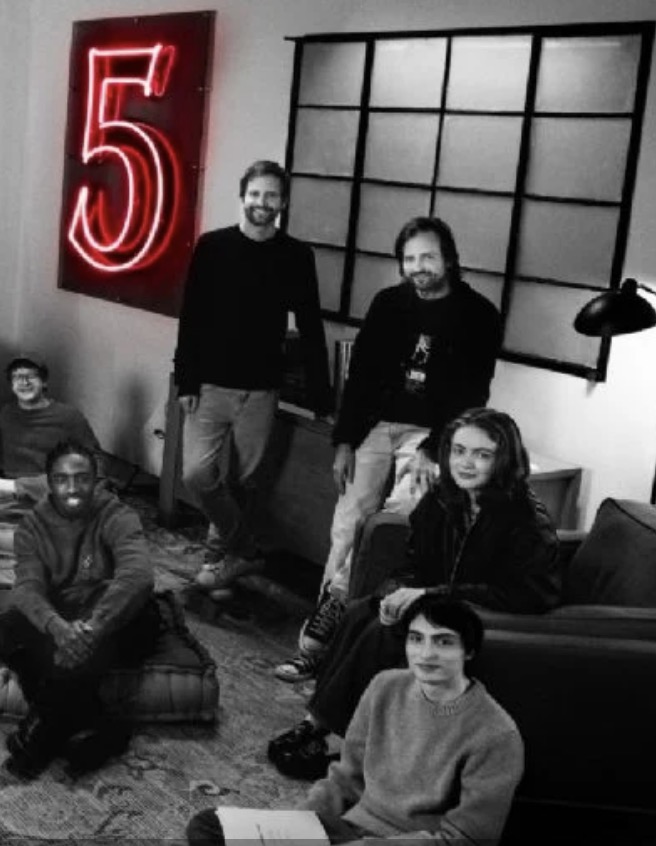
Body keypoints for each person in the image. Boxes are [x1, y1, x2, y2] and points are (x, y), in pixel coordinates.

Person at [268, 408, 558, 778]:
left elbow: (530, 595)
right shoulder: (442, 497)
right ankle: (317, 722)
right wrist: (396, 591)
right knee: (361, 611)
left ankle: (341, 740)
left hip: (486, 613)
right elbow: (413, 562)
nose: (466, 463)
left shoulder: (527, 518)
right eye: (458, 451)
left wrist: (431, 594)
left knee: (384, 632)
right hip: (441, 600)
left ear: (504, 459)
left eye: (482, 454)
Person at [282, 217, 504, 683]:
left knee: (393, 520)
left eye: (428, 257)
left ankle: (336, 620)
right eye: (409, 259)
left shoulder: (478, 314)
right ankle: (318, 646)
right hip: (376, 426)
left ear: (449, 259)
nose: (418, 267)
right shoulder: (388, 304)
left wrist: (435, 449)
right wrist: (344, 440)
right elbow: (360, 377)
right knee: (348, 523)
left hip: (432, 435)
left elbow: (474, 393)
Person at [189, 595, 523, 844]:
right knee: (208, 826)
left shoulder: (496, 735)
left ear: (468, 652)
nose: (426, 654)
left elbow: (467, 839)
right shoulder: (385, 686)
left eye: (443, 643)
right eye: (416, 639)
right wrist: (299, 824)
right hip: (351, 828)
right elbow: (345, 778)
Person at [174, 160, 330, 596]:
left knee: (245, 481)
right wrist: (186, 379)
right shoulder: (213, 246)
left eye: (272, 195)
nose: (263, 202)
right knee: (197, 474)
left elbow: (311, 324)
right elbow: (192, 316)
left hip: (261, 388)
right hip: (210, 384)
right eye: (256, 194)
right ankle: (244, 549)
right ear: (243, 196)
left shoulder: (296, 255)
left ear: (283, 203)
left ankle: (217, 557)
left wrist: (322, 392)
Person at [0, 439, 161, 779]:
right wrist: (58, 628)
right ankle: (101, 725)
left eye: (82, 478)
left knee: (137, 616)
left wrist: (94, 628)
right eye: (62, 479)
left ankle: (41, 737)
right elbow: (27, 587)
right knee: (5, 628)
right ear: (49, 482)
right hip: (65, 621)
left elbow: (138, 574)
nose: (72, 489)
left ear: (95, 481)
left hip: (111, 620)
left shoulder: (117, 514)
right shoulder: (32, 526)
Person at [0, 355, 100, 522]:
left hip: (52, 482)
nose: (24, 382)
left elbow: (96, 459)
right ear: (11, 386)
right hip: (18, 487)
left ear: (44, 383)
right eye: (17, 378)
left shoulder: (69, 416)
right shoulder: (7, 414)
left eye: (31, 376)